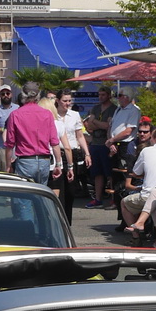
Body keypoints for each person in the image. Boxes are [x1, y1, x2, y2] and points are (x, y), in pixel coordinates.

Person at [5, 91, 63, 185]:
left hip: (25, 161)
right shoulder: (47, 114)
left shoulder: (15, 114)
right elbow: (54, 142)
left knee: (24, 196)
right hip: (44, 161)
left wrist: (8, 165)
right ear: (38, 97)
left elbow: (10, 144)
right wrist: (58, 164)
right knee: (41, 195)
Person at [53, 88, 86, 226]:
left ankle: (67, 222)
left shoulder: (75, 115)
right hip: (58, 153)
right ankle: (58, 221)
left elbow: (80, 135)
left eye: (69, 101)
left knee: (71, 190)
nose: (67, 103)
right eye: (64, 101)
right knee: (59, 191)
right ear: (58, 101)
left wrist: (87, 153)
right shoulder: (52, 115)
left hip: (72, 153)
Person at [0, 86, 20, 172]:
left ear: (11, 94)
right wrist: (4, 130)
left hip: (17, 147)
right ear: (0, 96)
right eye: (3, 94)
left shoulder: (18, 108)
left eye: (7, 93)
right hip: (2, 147)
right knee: (6, 171)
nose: (5, 95)